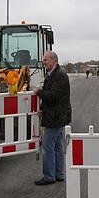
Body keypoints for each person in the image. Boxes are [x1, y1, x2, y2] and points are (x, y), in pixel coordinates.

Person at [34, 51, 71, 185]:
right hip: (56, 116)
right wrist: (42, 109)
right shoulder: (52, 75)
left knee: (48, 147)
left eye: (46, 60)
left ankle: (49, 177)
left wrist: (39, 92)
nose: (43, 62)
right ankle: (59, 174)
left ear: (54, 61)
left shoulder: (59, 76)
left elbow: (53, 96)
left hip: (55, 117)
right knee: (58, 147)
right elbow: (51, 97)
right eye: (43, 60)